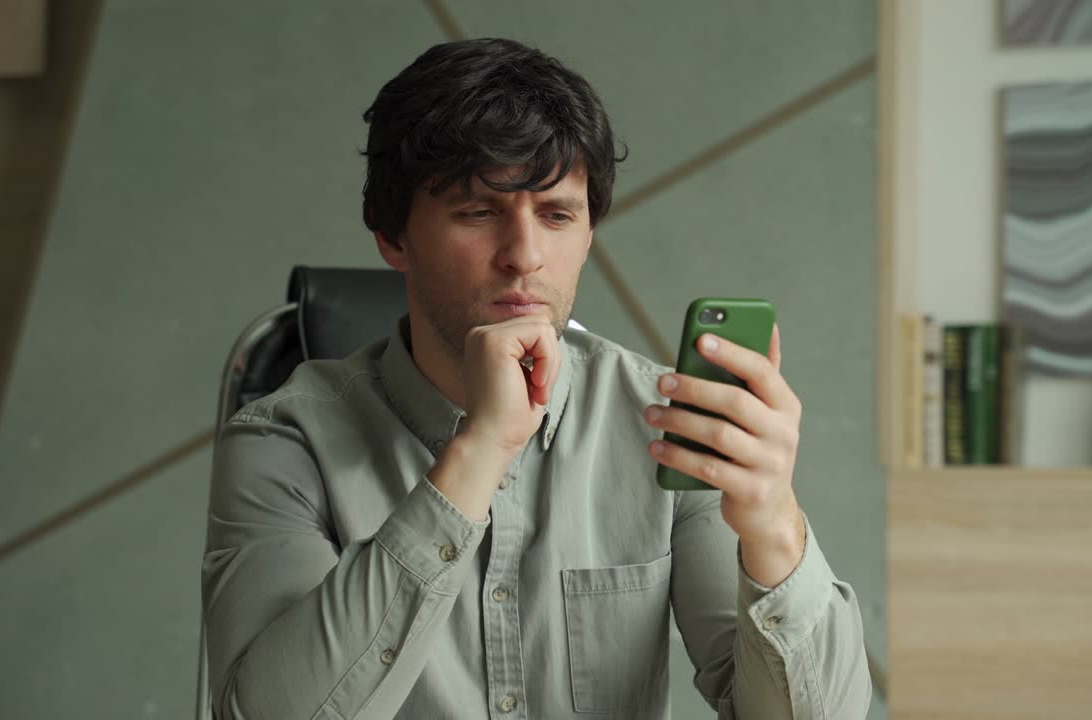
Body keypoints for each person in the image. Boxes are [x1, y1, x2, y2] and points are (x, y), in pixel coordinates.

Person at [202, 37, 871, 719]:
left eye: (557, 215)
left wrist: (774, 527)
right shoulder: (283, 441)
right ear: (393, 236)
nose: (524, 256)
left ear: (586, 235)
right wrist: (479, 453)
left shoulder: (667, 425)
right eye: (479, 212)